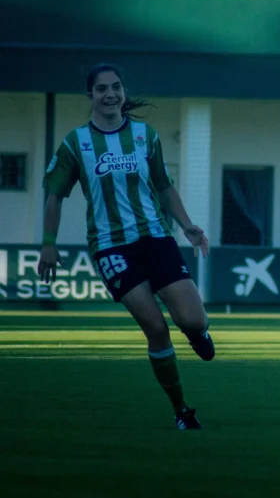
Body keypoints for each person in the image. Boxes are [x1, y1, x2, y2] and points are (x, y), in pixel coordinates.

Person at [38, 63, 214, 430]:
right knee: (156, 329)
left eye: (116, 87)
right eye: (102, 89)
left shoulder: (144, 136)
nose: (110, 94)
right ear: (90, 97)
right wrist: (49, 245)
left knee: (193, 319)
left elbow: (164, 187)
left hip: (156, 238)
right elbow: (54, 195)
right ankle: (182, 410)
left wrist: (187, 227)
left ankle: (197, 332)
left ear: (123, 91)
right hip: (111, 248)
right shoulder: (76, 143)